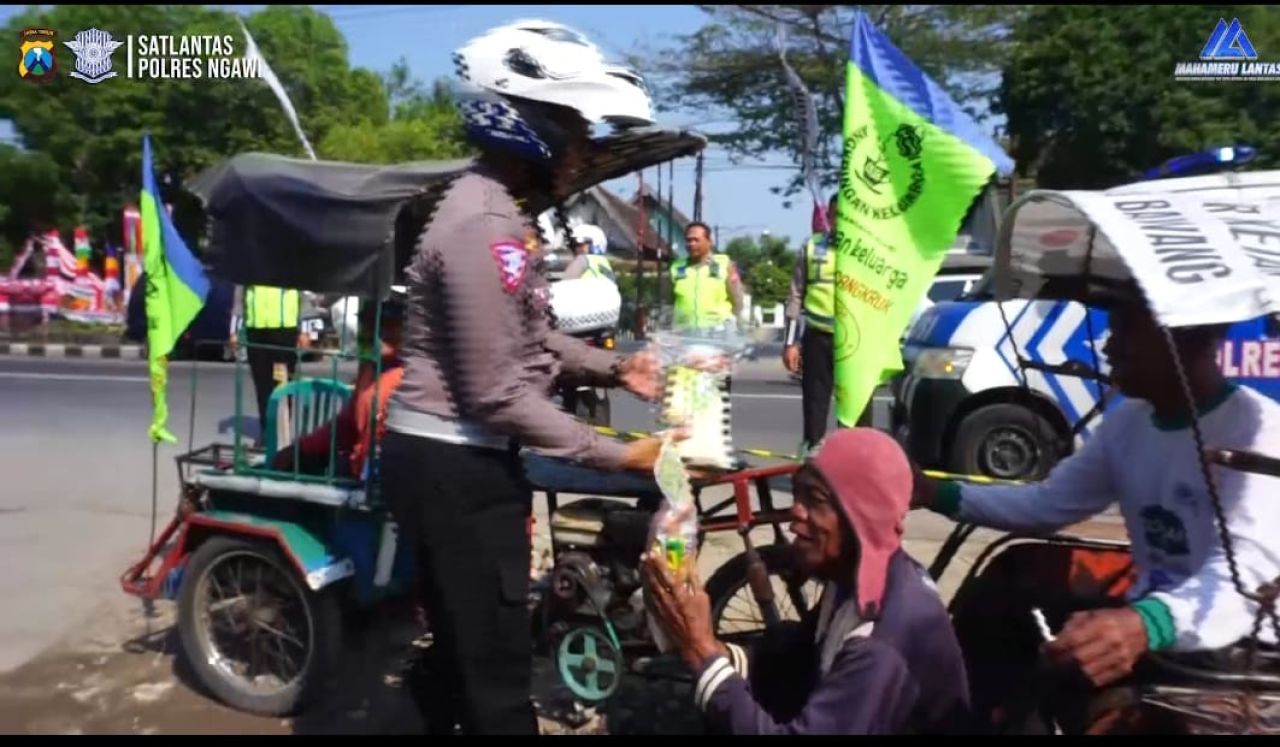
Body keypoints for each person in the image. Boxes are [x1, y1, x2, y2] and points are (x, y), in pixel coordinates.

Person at [379, 19, 669, 736]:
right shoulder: (487, 225)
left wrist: (613, 364)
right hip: (456, 463)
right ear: (525, 125)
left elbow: (527, 333)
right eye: (572, 129)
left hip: (449, 457)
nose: (582, 150)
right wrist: (619, 453)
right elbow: (498, 390)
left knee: (459, 655)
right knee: (499, 679)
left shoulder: (491, 207)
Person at [910, 295, 1280, 732]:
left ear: (1185, 336)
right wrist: (934, 493)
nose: (1108, 345)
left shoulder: (1259, 430)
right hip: (1149, 625)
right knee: (1000, 610)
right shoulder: (1127, 425)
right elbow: (1047, 505)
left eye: (1126, 330)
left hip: (1239, 649)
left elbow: (1248, 579)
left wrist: (1145, 624)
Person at [642, 428, 972, 735]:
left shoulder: (881, 639)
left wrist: (701, 652)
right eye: (797, 494)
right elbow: (796, 661)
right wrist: (711, 649)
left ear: (860, 516)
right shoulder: (855, 581)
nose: (794, 513)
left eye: (814, 499)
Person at [270, 289, 407, 480]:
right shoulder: (370, 368)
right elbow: (348, 423)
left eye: (388, 324)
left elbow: (377, 445)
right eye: (366, 322)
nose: (376, 331)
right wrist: (301, 447)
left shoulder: (406, 378)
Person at [783, 194, 839, 451]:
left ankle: (857, 466)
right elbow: (795, 294)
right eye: (836, 214)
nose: (842, 220)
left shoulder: (869, 252)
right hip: (818, 336)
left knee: (857, 410)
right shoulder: (811, 247)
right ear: (829, 216)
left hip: (857, 342)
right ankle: (812, 462)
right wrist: (790, 342)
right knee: (815, 404)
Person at [230, 283, 304, 438]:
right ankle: (267, 431)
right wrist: (234, 330)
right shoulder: (250, 262)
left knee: (282, 383)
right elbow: (239, 298)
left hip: (284, 331)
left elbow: (304, 294)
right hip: (256, 330)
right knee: (262, 383)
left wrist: (307, 329)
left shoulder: (293, 260)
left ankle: (281, 432)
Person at [671, 221, 744, 332]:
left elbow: (737, 299)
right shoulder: (677, 267)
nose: (691, 244)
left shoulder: (722, 264)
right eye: (688, 240)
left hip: (718, 331)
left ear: (709, 241)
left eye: (696, 240)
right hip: (685, 331)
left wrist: (732, 321)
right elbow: (670, 300)